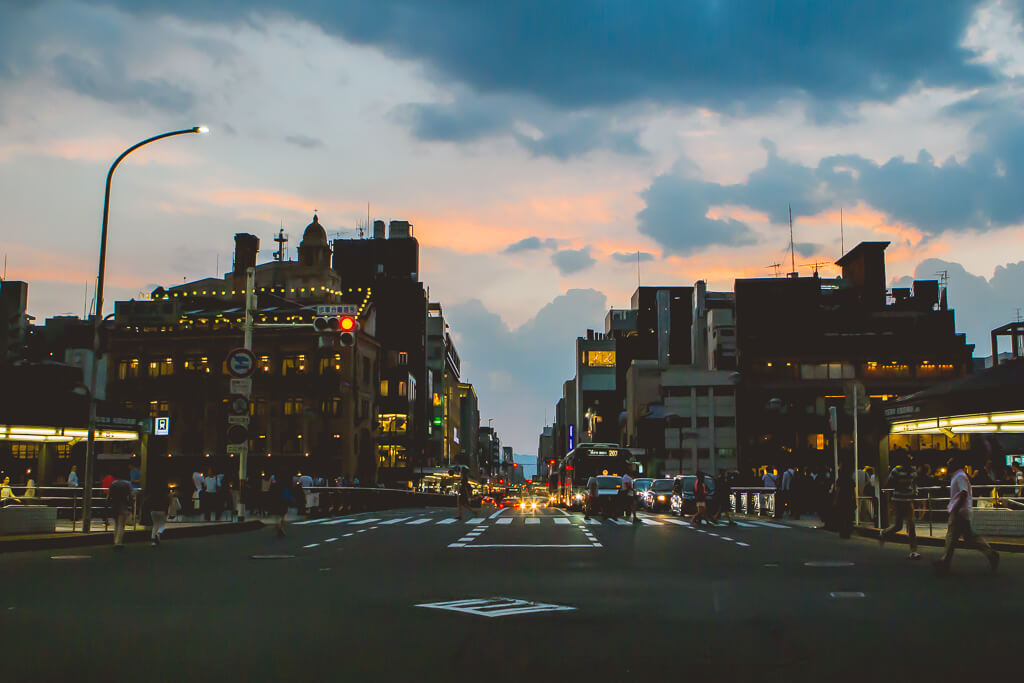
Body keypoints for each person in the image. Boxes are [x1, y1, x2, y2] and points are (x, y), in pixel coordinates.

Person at [934, 457, 999, 577]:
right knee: (968, 538)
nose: (947, 465)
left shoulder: (960, 477)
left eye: (949, 464)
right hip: (961, 511)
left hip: (959, 511)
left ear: (955, 465)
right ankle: (990, 553)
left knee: (951, 538)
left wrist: (955, 509)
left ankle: (944, 562)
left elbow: (963, 493)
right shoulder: (957, 476)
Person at [880, 452, 921, 560]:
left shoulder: (913, 471)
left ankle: (913, 551)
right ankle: (884, 532)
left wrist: (915, 490)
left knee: (911, 525)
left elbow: (915, 483)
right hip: (898, 500)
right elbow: (888, 483)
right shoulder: (896, 470)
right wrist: (899, 486)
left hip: (908, 500)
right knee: (898, 526)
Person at [108, 479, 133, 549]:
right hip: (123, 505)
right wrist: (131, 504)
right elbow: (130, 495)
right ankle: (118, 542)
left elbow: (109, 495)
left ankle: (115, 540)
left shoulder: (113, 483)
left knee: (116, 524)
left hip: (114, 505)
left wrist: (108, 504)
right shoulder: (127, 484)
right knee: (121, 525)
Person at [834, 462, 855, 539]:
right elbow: (853, 492)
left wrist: (835, 500)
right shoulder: (851, 480)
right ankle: (847, 531)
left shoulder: (840, 479)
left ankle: (843, 531)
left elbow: (838, 491)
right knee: (848, 516)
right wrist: (855, 502)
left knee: (842, 516)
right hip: (849, 500)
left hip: (842, 500)